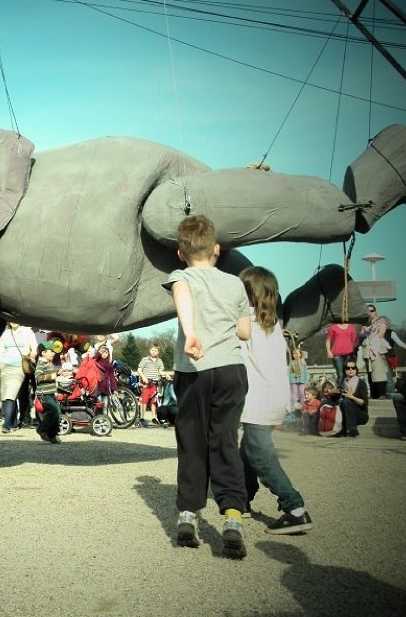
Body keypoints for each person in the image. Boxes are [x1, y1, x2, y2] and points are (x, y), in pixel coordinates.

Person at [163, 214, 251, 559]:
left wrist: (191, 330)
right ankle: (231, 517)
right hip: (231, 368)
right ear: (216, 249)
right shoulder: (235, 283)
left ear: (180, 254)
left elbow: (182, 292)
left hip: (195, 369)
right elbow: (244, 332)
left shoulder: (181, 276)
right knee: (225, 440)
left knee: (192, 441)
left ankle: (188, 512)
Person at [237, 266, 314, 535]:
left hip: (257, 400)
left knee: (262, 457)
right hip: (272, 398)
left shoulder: (245, 321)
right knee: (247, 451)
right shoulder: (272, 325)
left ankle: (294, 508)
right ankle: (242, 499)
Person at [0, 322, 38, 434]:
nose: (13, 321)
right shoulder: (5, 334)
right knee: (6, 396)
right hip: (5, 366)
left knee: (10, 394)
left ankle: (6, 425)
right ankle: (13, 422)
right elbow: (0, 352)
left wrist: (32, 355)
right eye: (11, 319)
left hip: (19, 366)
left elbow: (35, 348)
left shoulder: (27, 331)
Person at [379, 317, 406, 395]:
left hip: (388, 357)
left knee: (388, 376)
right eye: (379, 322)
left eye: (383, 322)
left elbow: (399, 342)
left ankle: (390, 393)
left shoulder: (391, 333)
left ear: (387, 324)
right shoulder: (374, 333)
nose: (381, 324)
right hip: (376, 357)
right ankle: (381, 394)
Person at [34, 341, 62, 443]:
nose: (53, 353)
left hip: (50, 393)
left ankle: (52, 435)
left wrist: (58, 374)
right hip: (44, 394)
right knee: (54, 412)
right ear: (43, 353)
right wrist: (53, 376)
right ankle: (42, 429)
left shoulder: (48, 363)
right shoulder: (41, 363)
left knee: (57, 413)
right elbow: (38, 377)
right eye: (51, 351)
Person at [360, 305, 390, 398]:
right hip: (367, 352)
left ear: (375, 311)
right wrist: (364, 331)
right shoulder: (366, 325)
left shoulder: (381, 322)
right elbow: (360, 337)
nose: (370, 313)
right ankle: (374, 394)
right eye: (368, 311)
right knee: (370, 373)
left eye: (371, 311)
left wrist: (370, 332)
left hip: (377, 350)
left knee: (379, 372)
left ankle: (382, 394)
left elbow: (381, 334)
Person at [137, 344, 167, 426]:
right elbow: (139, 370)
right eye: (152, 350)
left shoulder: (159, 361)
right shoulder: (145, 359)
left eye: (156, 351)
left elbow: (160, 371)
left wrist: (166, 375)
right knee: (144, 401)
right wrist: (143, 377)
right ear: (150, 351)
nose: (154, 352)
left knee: (154, 401)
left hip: (154, 383)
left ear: (158, 352)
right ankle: (142, 418)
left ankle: (154, 417)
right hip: (146, 383)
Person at [338, 360, 369, 437]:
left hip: (360, 414)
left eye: (353, 368)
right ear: (345, 370)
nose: (351, 370)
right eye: (348, 368)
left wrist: (351, 397)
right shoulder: (341, 383)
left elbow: (364, 403)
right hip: (345, 412)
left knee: (346, 401)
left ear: (356, 370)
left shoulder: (361, 382)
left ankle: (352, 429)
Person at [288, 348, 309, 415]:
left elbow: (306, 372)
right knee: (294, 394)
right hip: (293, 381)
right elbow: (289, 373)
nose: (295, 355)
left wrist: (306, 381)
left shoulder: (303, 362)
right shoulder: (291, 362)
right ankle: (293, 407)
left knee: (302, 394)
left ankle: (303, 406)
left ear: (300, 354)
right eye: (294, 353)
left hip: (302, 381)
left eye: (297, 353)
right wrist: (289, 381)